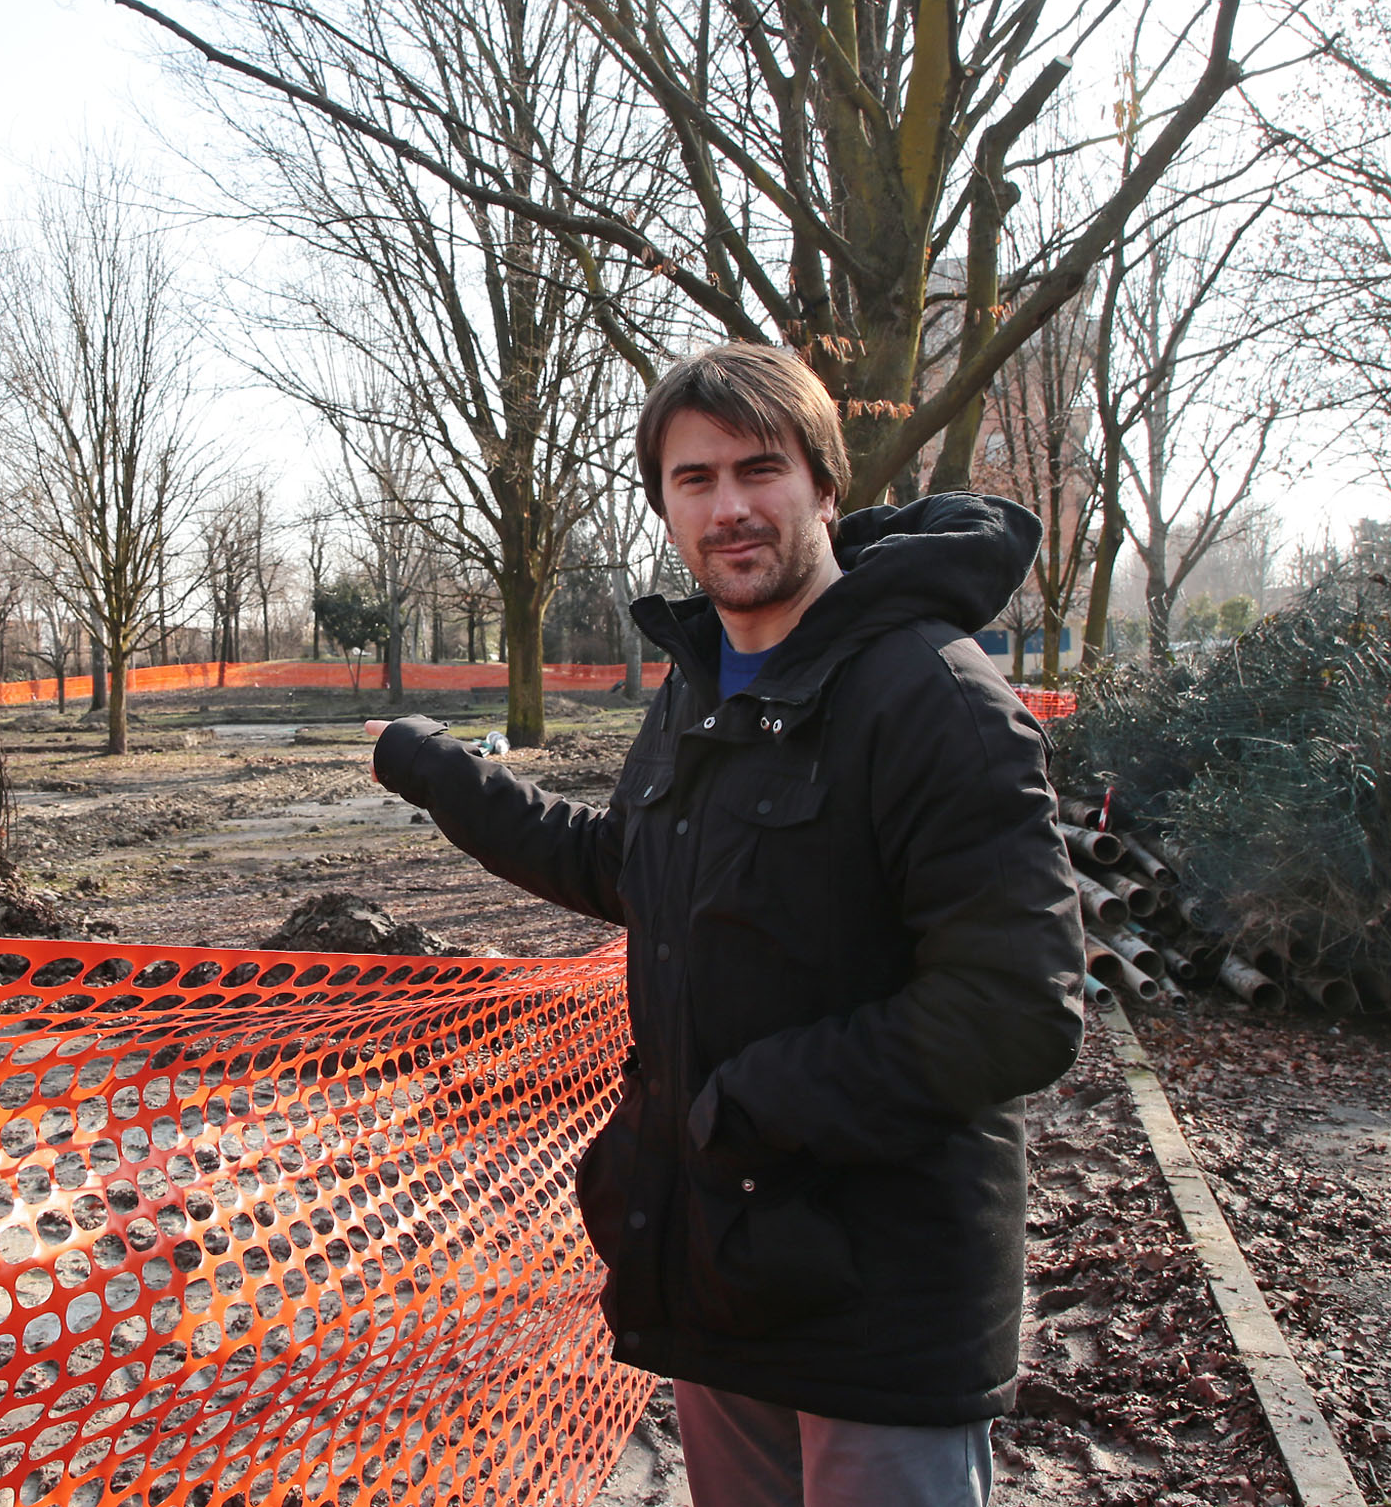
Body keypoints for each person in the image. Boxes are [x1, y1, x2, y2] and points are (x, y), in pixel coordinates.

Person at [368, 343, 1084, 1507]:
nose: (728, 506)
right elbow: (629, 866)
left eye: (760, 469)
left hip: (881, 1309)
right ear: (662, 504)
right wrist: (440, 773)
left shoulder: (932, 696)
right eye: (692, 478)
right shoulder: (700, 684)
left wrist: (749, 1104)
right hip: (725, 1271)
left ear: (824, 486)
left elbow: (1014, 1007)